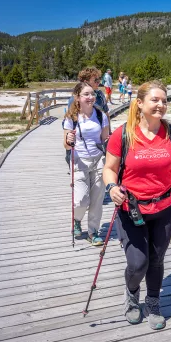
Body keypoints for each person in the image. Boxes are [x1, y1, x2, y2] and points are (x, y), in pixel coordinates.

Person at [103, 80, 171, 330]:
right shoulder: (123, 134)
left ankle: (153, 301)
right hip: (131, 208)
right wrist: (112, 188)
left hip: (164, 206)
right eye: (155, 100)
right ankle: (132, 294)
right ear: (140, 103)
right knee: (138, 263)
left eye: (164, 100)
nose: (161, 105)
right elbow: (109, 169)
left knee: (157, 259)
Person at [64, 82, 110, 246]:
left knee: (97, 199)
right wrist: (69, 140)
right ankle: (77, 219)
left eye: (92, 94)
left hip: (98, 160)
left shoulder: (100, 115)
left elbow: (105, 139)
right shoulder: (72, 117)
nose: (91, 97)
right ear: (78, 98)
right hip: (79, 161)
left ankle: (93, 232)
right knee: (81, 200)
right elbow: (66, 145)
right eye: (86, 94)